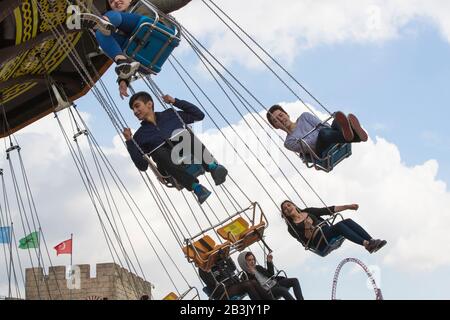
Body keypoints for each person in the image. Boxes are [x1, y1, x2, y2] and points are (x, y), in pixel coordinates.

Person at [123, 91, 228, 204]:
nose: (135, 111)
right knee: (159, 152)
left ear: (149, 104)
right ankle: (197, 188)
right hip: (167, 165)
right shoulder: (140, 136)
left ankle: (213, 167)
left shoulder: (170, 114)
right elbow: (142, 166)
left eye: (137, 106)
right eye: (133, 110)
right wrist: (130, 142)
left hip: (187, 153)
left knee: (184, 135)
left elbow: (199, 115)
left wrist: (175, 101)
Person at [74, 0, 145, 98]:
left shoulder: (143, 6)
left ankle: (103, 21)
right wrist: (124, 80)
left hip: (147, 26)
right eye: (111, 2)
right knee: (101, 33)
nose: (115, 1)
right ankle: (122, 62)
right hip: (133, 42)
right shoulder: (117, 27)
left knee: (113, 17)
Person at [280, 200, 387, 254]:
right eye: (285, 209)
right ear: (285, 214)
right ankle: (366, 244)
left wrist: (348, 207)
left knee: (347, 221)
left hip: (328, 231)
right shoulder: (292, 227)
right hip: (319, 242)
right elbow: (306, 241)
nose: (288, 208)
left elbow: (327, 210)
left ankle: (371, 241)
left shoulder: (308, 211)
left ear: (293, 205)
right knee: (339, 226)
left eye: (289, 205)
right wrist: (307, 227)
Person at [266, 105, 368, 160]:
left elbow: (325, 126)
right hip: (320, 150)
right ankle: (353, 135)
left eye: (280, 115)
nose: (280, 119)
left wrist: (321, 131)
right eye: (276, 120)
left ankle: (349, 135)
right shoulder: (288, 142)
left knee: (337, 116)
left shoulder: (304, 117)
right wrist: (318, 131)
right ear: (275, 126)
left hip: (330, 135)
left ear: (286, 114)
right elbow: (310, 146)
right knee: (323, 133)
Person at [198, 254, 273, 300]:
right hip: (222, 293)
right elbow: (210, 283)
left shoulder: (219, 260)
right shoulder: (203, 268)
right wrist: (208, 272)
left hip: (234, 285)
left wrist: (228, 258)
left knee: (253, 282)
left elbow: (233, 268)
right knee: (248, 284)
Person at [237, 251, 304, 300]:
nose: (252, 262)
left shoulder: (258, 267)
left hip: (275, 283)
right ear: (244, 262)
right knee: (282, 290)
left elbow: (270, 274)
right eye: (249, 260)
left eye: (253, 259)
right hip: (267, 292)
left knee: (294, 280)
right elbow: (251, 289)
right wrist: (251, 274)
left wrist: (269, 262)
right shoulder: (245, 276)